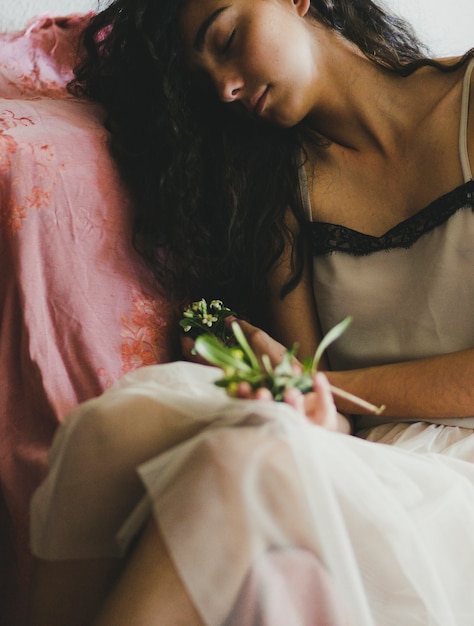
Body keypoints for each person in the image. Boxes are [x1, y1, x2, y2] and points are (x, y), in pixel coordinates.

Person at [29, 0, 474, 623]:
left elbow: (326, 384)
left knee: (243, 466)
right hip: (370, 452)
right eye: (205, 77)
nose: (227, 86)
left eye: (228, 37)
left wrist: (322, 387)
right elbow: (321, 408)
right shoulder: (280, 190)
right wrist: (292, 392)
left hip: (460, 474)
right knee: (111, 429)